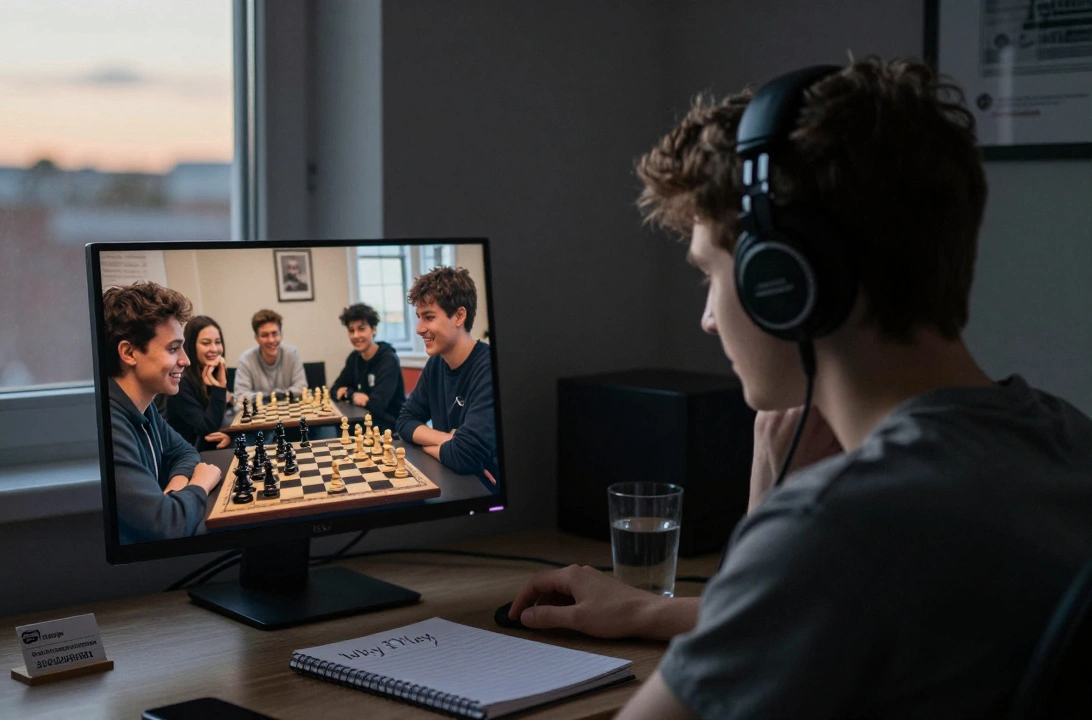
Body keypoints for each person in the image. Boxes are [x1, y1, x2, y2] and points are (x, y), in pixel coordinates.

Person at [508, 57, 1092, 719]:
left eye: (711, 274)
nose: (705, 317)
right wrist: (654, 609)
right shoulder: (1066, 439)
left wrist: (770, 527)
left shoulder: (833, 528)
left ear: (782, 279)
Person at [104, 282, 223, 544]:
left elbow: (184, 451)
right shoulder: (110, 426)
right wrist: (199, 484)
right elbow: (166, 525)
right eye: (173, 349)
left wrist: (176, 487)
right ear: (128, 352)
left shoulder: (145, 409)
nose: (186, 360)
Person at [395, 267, 499, 487]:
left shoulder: (489, 368)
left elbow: (466, 455)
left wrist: (426, 444)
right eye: (419, 318)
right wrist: (448, 439)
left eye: (429, 317)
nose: (419, 329)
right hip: (451, 481)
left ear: (459, 316)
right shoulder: (436, 364)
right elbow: (404, 421)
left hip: (485, 493)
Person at [330, 303, 405, 429]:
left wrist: (348, 393)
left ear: (374, 329)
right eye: (351, 330)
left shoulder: (388, 359)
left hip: (390, 429)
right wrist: (353, 395)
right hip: (363, 423)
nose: (356, 335)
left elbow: (377, 405)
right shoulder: (354, 358)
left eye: (361, 329)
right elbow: (334, 390)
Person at [165, 315, 233, 450]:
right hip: (187, 456)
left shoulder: (213, 372)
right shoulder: (181, 382)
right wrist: (219, 388)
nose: (214, 349)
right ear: (191, 346)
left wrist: (227, 434)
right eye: (206, 343)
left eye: (218, 342)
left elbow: (218, 422)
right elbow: (207, 429)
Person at [233, 309, 308, 402]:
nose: (271, 340)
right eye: (264, 335)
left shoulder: (292, 354)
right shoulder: (245, 360)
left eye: (274, 333)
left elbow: (301, 387)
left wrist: (280, 396)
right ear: (257, 339)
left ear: (281, 334)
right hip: (260, 415)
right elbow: (240, 395)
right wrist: (267, 398)